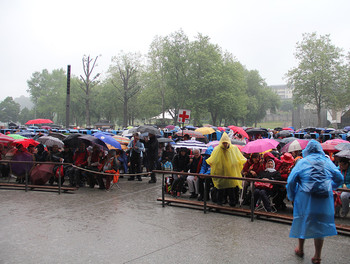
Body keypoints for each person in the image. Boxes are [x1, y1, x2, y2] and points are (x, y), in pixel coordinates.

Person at [286, 140, 343, 264]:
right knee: (320, 225)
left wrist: (292, 195)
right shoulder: (327, 161)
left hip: (304, 198)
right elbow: (339, 178)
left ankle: (300, 248)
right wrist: (330, 186)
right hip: (324, 199)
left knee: (302, 220)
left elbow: (291, 181)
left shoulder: (302, 162)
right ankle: (317, 256)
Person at [206, 132, 246, 206]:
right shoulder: (217, 149)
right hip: (221, 172)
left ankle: (232, 203)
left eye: (226, 143)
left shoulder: (234, 148)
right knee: (221, 188)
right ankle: (220, 202)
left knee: (231, 189)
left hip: (231, 172)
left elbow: (240, 159)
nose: (225, 145)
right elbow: (212, 160)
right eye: (223, 143)